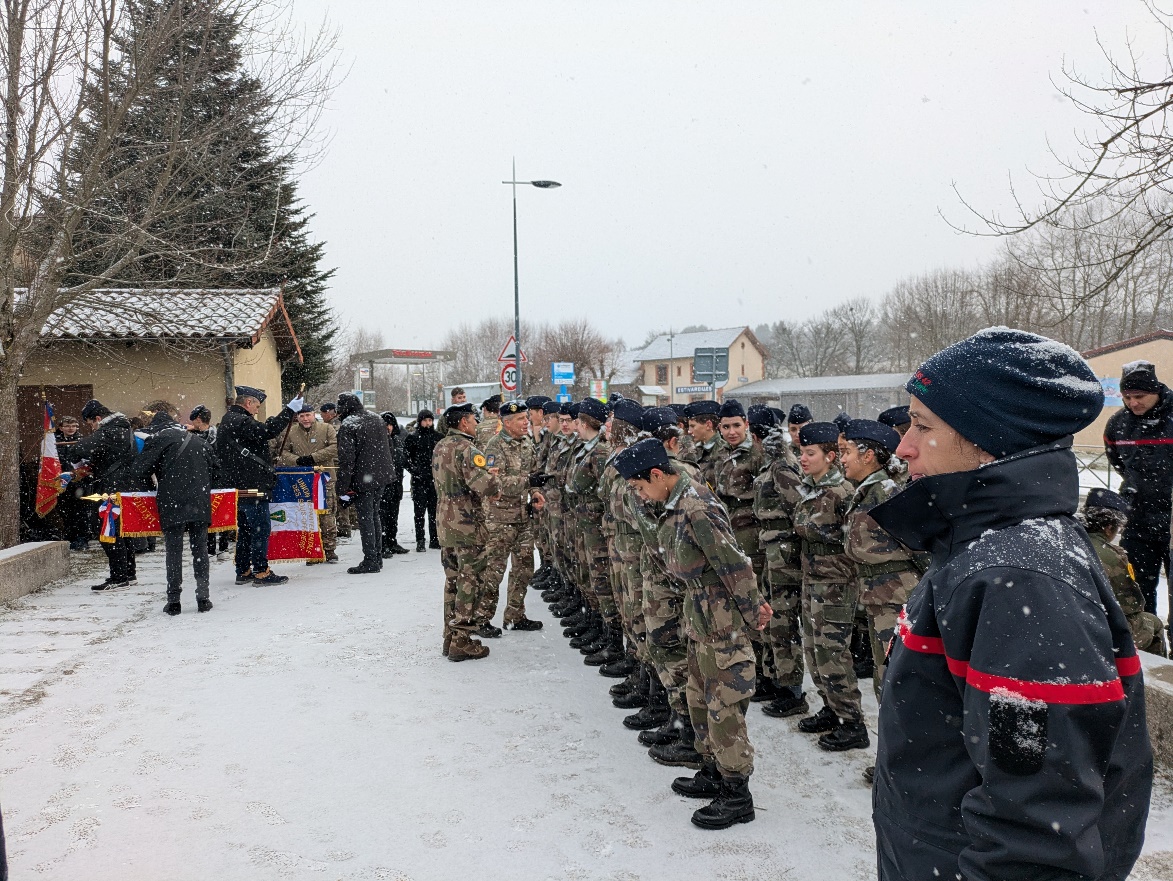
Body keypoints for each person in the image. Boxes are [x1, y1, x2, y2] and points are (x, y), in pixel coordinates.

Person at [870, 328, 1152, 881]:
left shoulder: (1018, 579)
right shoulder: (982, 548)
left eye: (922, 426)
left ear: (988, 441)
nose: (902, 447)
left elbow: (1037, 834)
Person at [616, 438, 772, 830]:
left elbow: (734, 564)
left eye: (639, 487)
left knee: (724, 704)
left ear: (657, 475)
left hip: (722, 618)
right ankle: (713, 770)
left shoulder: (696, 507)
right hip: (700, 612)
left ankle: (737, 793)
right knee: (699, 697)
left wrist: (753, 612)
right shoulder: (674, 503)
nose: (639, 495)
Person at [839, 418, 922, 780]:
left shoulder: (886, 493)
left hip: (895, 598)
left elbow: (919, 545)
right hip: (879, 596)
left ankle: (906, 764)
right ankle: (896, 759)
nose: (842, 459)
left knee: (896, 680)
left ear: (868, 455)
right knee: (885, 678)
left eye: (846, 452)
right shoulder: (868, 489)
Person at [792, 421, 867, 751]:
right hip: (812, 580)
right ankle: (831, 707)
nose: (803, 459)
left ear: (831, 456)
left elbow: (854, 539)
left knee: (832, 652)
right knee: (813, 650)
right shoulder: (810, 488)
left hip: (835, 583)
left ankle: (852, 722)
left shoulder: (842, 492)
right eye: (801, 452)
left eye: (810, 453)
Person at [132, 404, 219, 615]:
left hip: (172, 501)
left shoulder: (159, 439)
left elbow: (139, 470)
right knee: (200, 550)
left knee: (174, 551)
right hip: (199, 500)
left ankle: (174, 601)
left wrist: (159, 478)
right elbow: (216, 471)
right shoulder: (199, 441)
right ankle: (203, 598)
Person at [1104, 359, 1173, 620]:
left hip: (1172, 519)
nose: (1133, 403)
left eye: (1140, 396)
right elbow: (1118, 462)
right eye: (1127, 397)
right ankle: (1147, 642)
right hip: (1138, 520)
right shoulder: (1118, 424)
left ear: (1155, 391)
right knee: (1136, 595)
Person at [215, 385, 301, 586]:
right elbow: (268, 431)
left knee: (245, 530)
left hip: (239, 486)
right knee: (260, 530)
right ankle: (261, 571)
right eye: (257, 406)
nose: (256, 410)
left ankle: (243, 570)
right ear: (248, 402)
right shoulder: (240, 420)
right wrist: (289, 411)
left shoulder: (229, 420)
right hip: (252, 486)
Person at [432, 402, 498, 661]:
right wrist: (493, 477)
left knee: (453, 579)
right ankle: (462, 639)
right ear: (463, 422)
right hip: (466, 522)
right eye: (473, 419)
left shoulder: (440, 446)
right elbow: (484, 485)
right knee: (470, 580)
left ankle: (449, 635)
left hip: (445, 520)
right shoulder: (467, 449)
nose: (476, 424)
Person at [64, 399, 146, 590]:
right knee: (121, 531)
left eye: (91, 423)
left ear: (98, 418)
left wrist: (74, 454)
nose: (92, 427)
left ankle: (119, 577)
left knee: (107, 531)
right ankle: (129, 573)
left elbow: (79, 449)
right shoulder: (125, 429)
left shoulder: (109, 431)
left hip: (111, 488)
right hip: (125, 486)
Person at [479, 400, 545, 633]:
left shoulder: (527, 443)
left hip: (523, 517)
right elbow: (495, 482)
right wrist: (528, 482)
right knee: (493, 571)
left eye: (526, 418)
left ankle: (515, 616)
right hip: (499, 519)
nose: (526, 422)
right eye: (520, 419)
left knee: (524, 569)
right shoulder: (494, 447)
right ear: (507, 423)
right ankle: (482, 619)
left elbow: (533, 474)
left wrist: (535, 492)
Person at [1080, 488, 1168, 657]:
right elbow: (1132, 605)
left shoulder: (1069, 540)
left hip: (1069, 619)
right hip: (1098, 629)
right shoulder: (1111, 556)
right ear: (1108, 527)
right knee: (1152, 623)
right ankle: (1145, 668)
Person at [274, 402, 339, 564]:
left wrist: (313, 458)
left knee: (327, 514)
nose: (305, 419)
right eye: (301, 416)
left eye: (308, 415)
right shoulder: (290, 431)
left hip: (324, 479)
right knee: (307, 515)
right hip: (301, 480)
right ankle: (312, 550)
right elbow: (283, 452)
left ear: (313, 414)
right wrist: (297, 460)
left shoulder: (326, 428)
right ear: (297, 417)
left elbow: (334, 448)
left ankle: (329, 549)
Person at [335, 393, 393, 574]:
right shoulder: (376, 419)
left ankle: (370, 560)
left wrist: (342, 487)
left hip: (363, 478)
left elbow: (346, 459)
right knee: (374, 515)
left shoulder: (349, 424)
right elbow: (388, 446)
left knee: (366, 518)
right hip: (381, 476)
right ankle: (376, 557)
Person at [189, 405, 231, 560]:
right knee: (217, 511)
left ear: (199, 420)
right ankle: (218, 547)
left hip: (211, 479)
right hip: (215, 478)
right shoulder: (216, 435)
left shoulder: (197, 439)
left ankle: (216, 547)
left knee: (215, 511)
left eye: (194, 421)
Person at [405, 408, 441, 551]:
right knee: (419, 512)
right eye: (425, 420)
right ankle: (420, 540)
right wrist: (415, 471)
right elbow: (406, 458)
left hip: (434, 479)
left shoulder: (438, 437)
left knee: (434, 512)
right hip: (419, 481)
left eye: (430, 420)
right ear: (420, 422)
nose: (428, 423)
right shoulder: (413, 438)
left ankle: (434, 539)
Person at [54, 415, 90, 550]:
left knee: (80, 511)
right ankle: (70, 536)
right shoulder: (54, 442)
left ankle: (82, 538)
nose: (71, 428)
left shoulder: (82, 441)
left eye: (74, 426)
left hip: (79, 482)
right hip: (62, 481)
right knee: (65, 510)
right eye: (68, 426)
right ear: (61, 427)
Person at [380, 412, 410, 556]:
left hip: (396, 483)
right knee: (382, 515)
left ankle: (392, 541)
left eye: (390, 424)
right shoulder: (378, 442)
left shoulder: (397, 441)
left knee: (393, 515)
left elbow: (404, 460)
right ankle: (383, 543)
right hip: (383, 485)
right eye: (385, 424)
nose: (388, 427)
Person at [685, 400, 724, 486]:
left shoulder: (722, 450)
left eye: (693, 426)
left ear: (708, 425)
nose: (689, 431)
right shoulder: (698, 449)